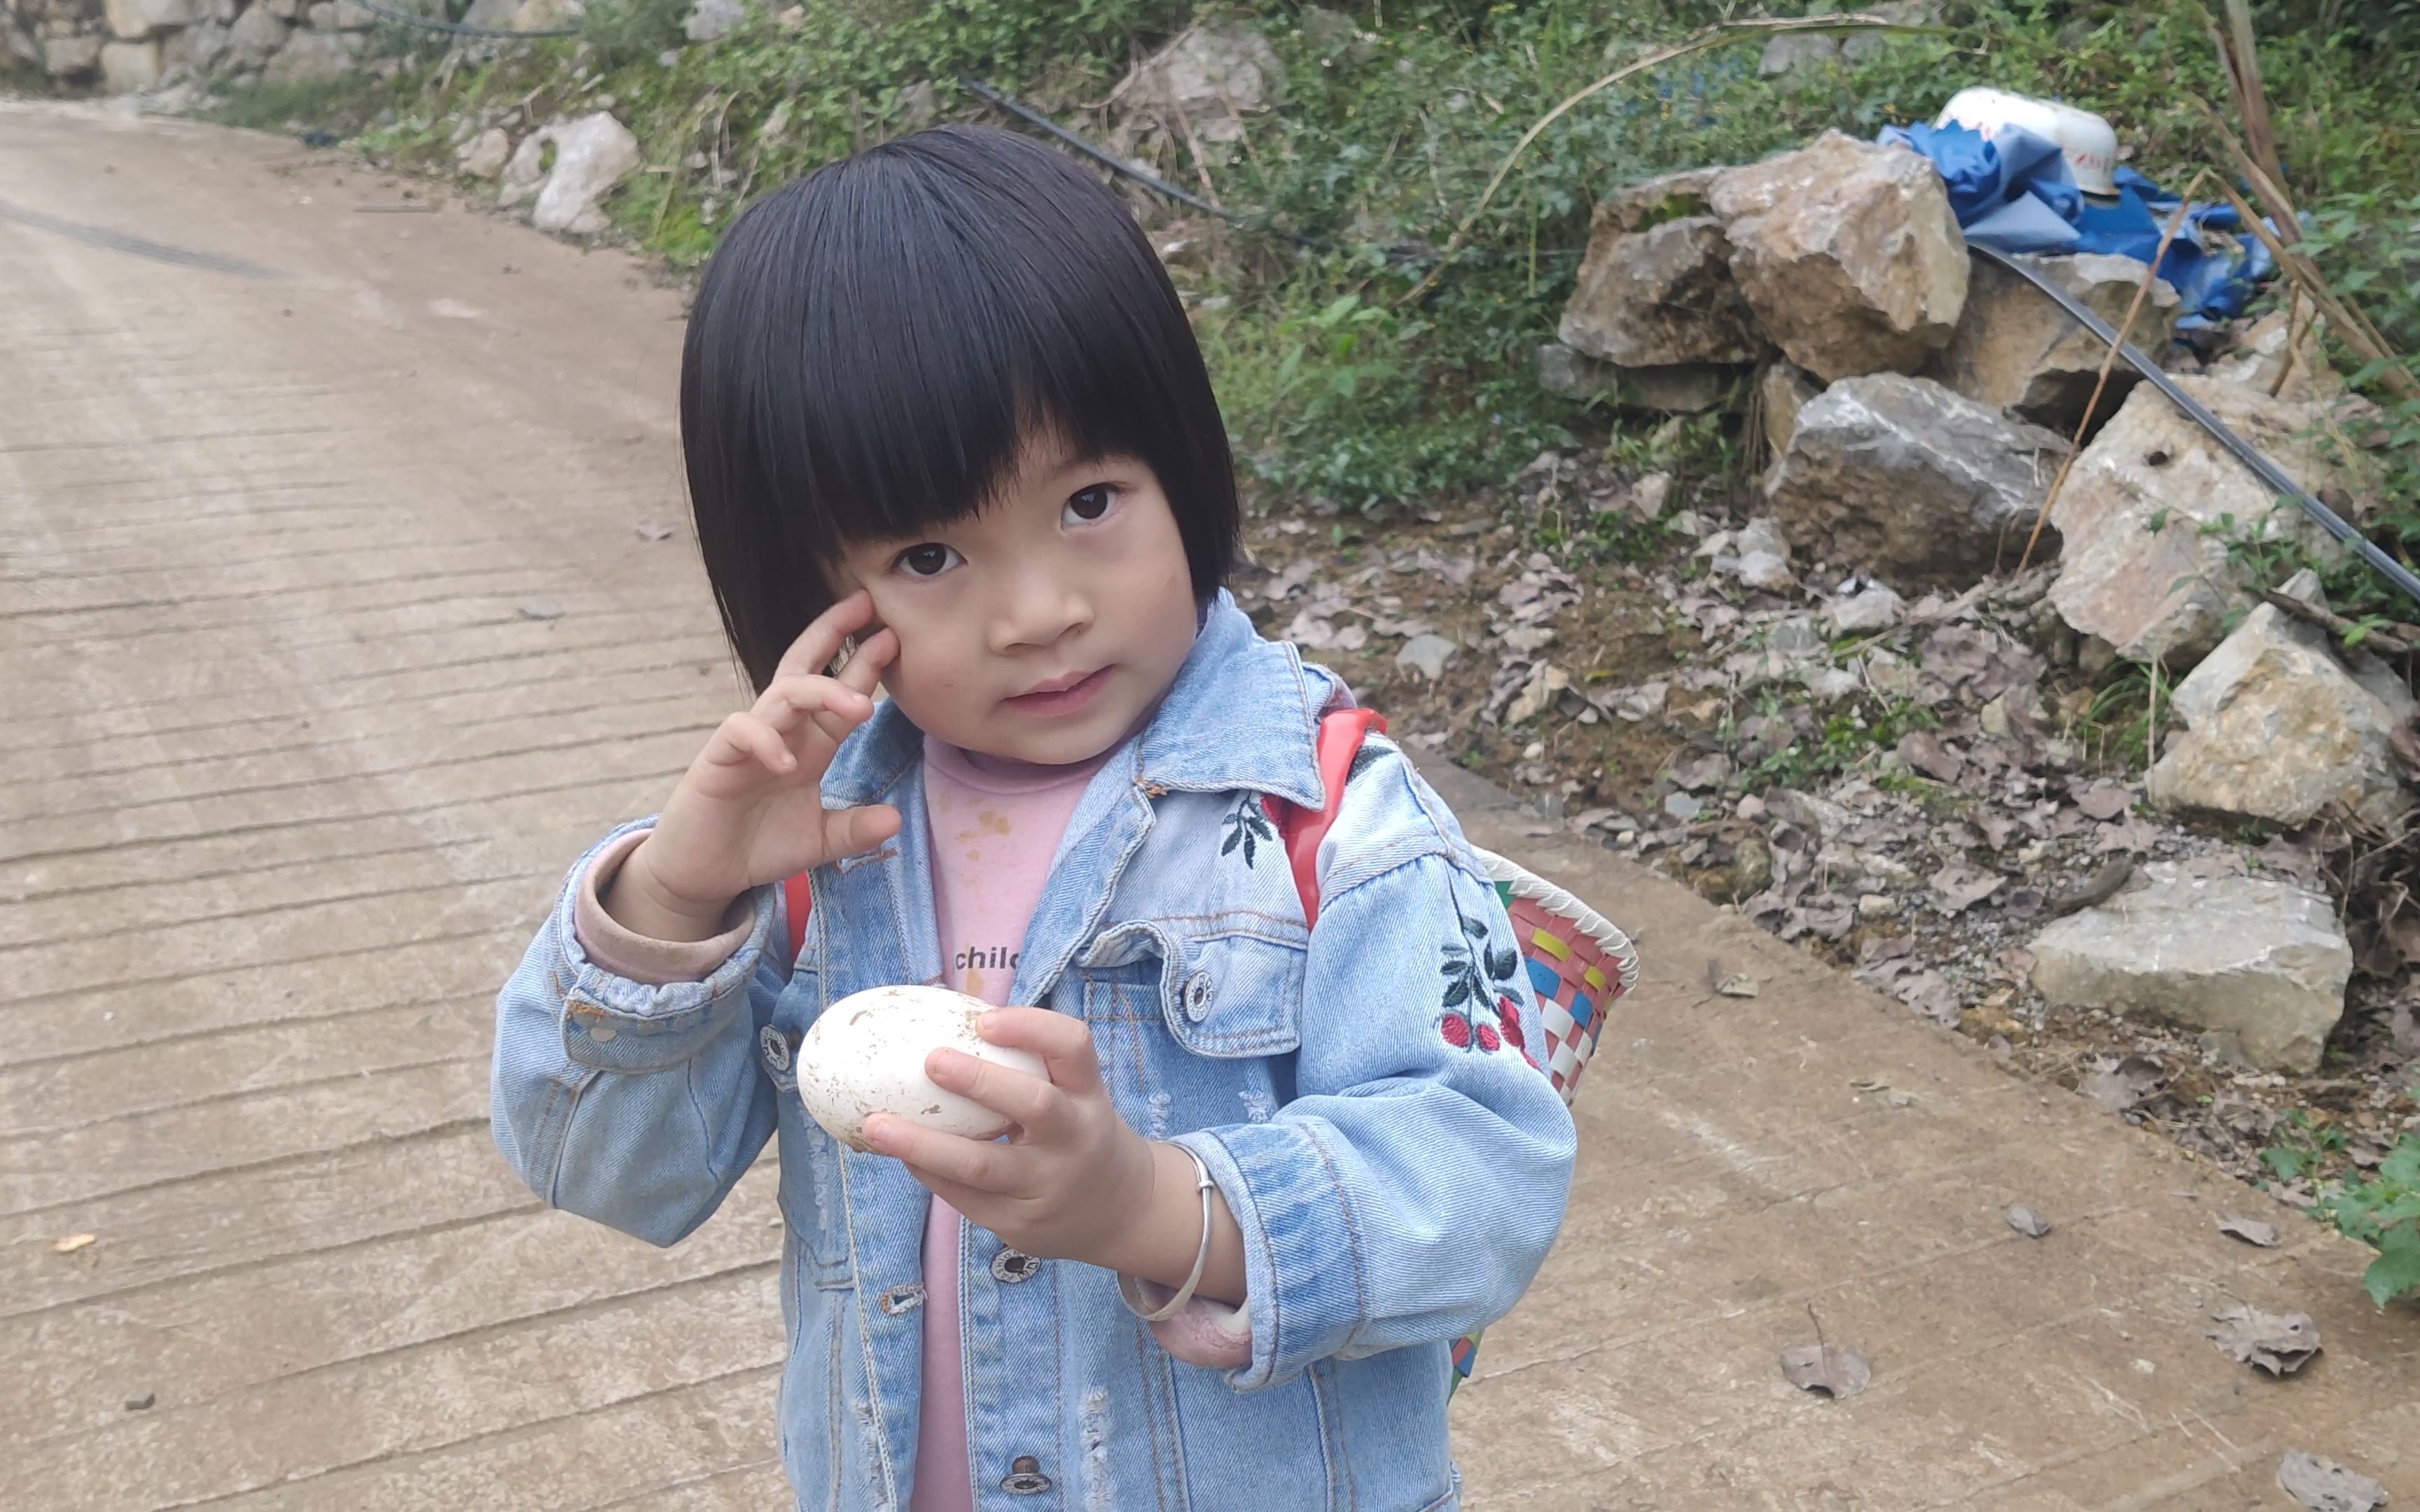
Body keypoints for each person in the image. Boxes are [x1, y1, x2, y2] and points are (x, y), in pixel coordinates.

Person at [490, 123, 1576, 1511]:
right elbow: (605, 1169)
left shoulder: (1328, 817)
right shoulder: (818, 853)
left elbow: (1488, 1177)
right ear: (816, 592)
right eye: (931, 556)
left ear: (1185, 467)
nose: (1039, 611)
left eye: (1089, 501)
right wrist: (672, 903)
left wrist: (1152, 1207)